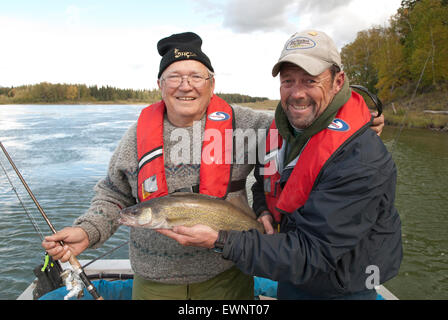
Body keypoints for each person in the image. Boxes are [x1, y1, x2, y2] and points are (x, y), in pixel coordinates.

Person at [42, 31, 385, 300]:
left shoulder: (249, 126)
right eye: (174, 76)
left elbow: (306, 130)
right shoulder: (136, 138)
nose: (186, 86)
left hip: (227, 277)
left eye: (196, 76)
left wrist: (356, 120)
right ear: (159, 85)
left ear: (212, 83)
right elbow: (113, 195)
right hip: (154, 282)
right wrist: (88, 231)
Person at [157, 30, 402, 300]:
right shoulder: (282, 131)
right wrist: (262, 209)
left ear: (337, 81)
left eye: (310, 81)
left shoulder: (362, 159)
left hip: (342, 286)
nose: (297, 93)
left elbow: (313, 254)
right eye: (288, 81)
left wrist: (219, 240)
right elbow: (265, 183)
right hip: (292, 275)